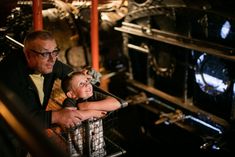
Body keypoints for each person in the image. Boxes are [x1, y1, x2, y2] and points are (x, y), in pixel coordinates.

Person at [0, 30, 96, 157]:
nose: (52, 59)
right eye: (45, 54)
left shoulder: (49, 62)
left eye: (55, 52)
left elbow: (68, 74)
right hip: (7, 135)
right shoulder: (10, 76)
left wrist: (84, 78)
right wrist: (57, 116)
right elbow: (23, 117)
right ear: (28, 55)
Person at [61, 71, 122, 157]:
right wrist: (93, 112)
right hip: (78, 147)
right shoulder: (69, 101)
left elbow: (117, 104)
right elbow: (70, 118)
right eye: (81, 84)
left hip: (98, 144)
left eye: (87, 81)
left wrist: (86, 106)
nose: (87, 84)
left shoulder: (94, 96)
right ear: (71, 94)